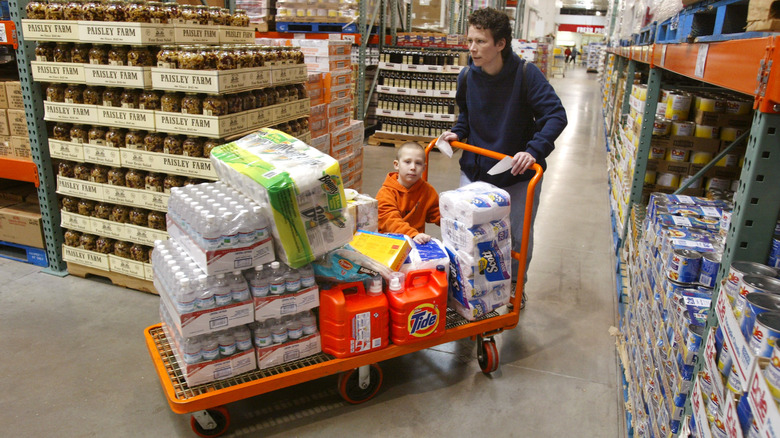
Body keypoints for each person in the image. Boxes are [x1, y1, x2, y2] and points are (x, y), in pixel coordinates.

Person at [440, 7, 567, 307]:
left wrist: (533, 150)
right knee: (465, 235)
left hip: (516, 176)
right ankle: (467, 285)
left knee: (517, 239)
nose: (472, 48)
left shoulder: (526, 74)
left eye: (481, 41)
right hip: (475, 170)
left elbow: (555, 115)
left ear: (501, 44)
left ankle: (514, 287)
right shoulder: (467, 76)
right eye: (470, 40)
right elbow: (466, 116)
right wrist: (457, 134)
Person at [376, 142, 441, 244]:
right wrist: (412, 234)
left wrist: (457, 222)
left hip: (417, 242)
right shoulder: (386, 192)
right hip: (389, 242)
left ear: (424, 168)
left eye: (418, 163)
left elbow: (437, 213)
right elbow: (390, 220)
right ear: (396, 165)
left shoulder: (427, 190)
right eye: (407, 162)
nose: (413, 167)